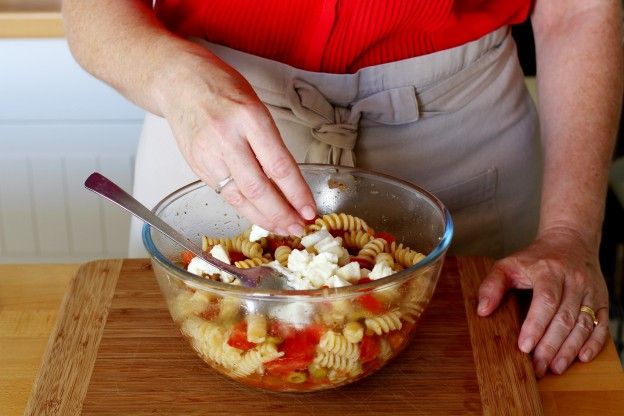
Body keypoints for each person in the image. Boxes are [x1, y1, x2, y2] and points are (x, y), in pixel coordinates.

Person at [63, 0, 623, 378]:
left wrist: (572, 232)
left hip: (465, 133)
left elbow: (579, 9)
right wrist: (175, 80)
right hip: (213, 123)